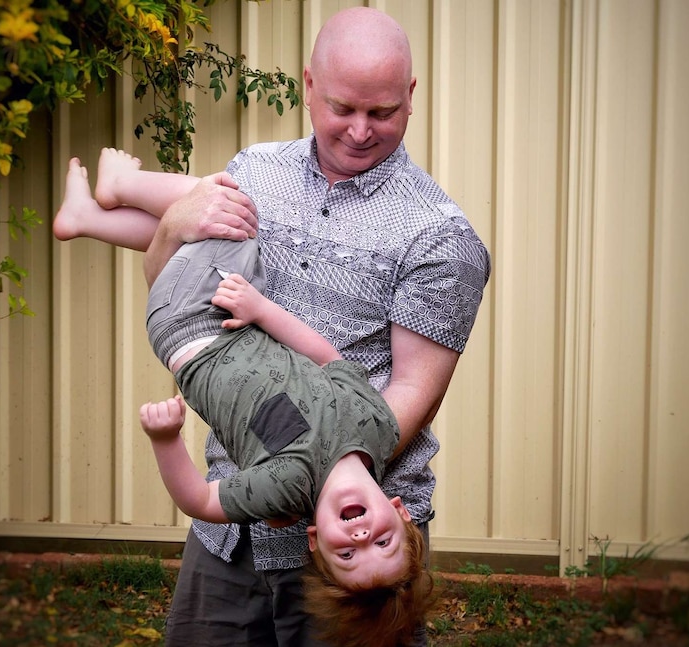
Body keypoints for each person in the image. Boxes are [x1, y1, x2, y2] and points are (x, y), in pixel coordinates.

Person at [62, 7, 491, 646]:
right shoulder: (257, 169)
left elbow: (410, 398)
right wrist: (176, 226)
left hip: (348, 563)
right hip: (229, 533)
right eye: (343, 107)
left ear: (411, 97)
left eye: (382, 113)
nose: (360, 130)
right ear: (309, 86)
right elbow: (177, 290)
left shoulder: (439, 236)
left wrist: (314, 481)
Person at [55, 148, 435, 646]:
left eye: (347, 556)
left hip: (192, 329)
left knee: (240, 205)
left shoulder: (286, 488)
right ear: (399, 511)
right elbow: (328, 358)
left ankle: (121, 187)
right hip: (240, 317)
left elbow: (200, 499)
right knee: (234, 233)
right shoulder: (377, 427)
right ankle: (86, 217)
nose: (362, 539)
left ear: (315, 539)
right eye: (382, 542)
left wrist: (165, 438)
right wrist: (261, 309)